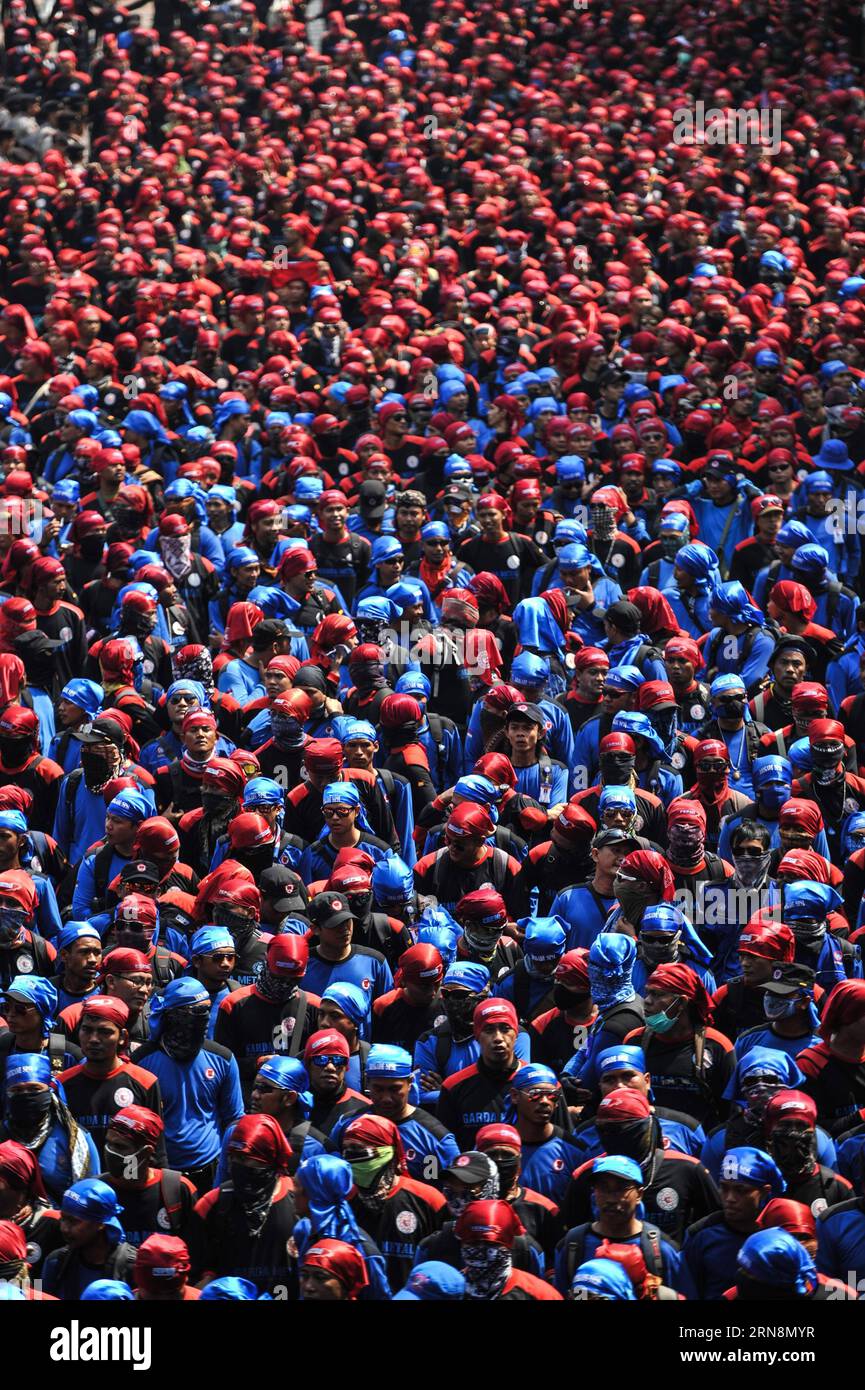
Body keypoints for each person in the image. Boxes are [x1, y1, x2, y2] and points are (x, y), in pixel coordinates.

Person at [134, 978, 244, 1194]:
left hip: (210, 1171)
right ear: (171, 1016)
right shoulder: (142, 1062)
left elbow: (234, 1119)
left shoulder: (222, 1058)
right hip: (162, 1173)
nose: (200, 1021)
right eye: (193, 1014)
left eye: (205, 1013)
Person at [189, 1114, 296, 1295]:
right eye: (233, 1158)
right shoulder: (211, 1205)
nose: (237, 1166)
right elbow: (196, 1270)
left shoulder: (298, 1201)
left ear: (268, 1160)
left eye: (245, 1159)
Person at [340, 1112, 447, 1286]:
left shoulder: (429, 1200)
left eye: (361, 1151)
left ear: (389, 1152)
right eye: (348, 1152)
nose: (354, 1159)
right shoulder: (342, 1202)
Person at [554, 1154, 683, 1295]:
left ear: (639, 1195)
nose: (611, 1198)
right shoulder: (573, 1246)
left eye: (621, 1188)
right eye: (603, 1187)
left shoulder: (660, 1250)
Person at [57, 995, 163, 1159]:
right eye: (87, 1030)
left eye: (104, 1032)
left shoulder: (145, 1083)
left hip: (129, 1177)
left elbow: (156, 1150)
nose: (93, 1039)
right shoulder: (62, 1084)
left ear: (122, 1037)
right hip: (81, 1182)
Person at [679, 1146, 786, 1300]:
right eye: (724, 1188)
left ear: (764, 1192)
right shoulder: (701, 1234)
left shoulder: (779, 1237)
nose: (730, 1198)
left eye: (740, 1190)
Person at [437, 999, 526, 1150]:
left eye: (505, 1029)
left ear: (516, 1033)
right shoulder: (453, 1088)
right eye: (489, 1030)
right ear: (477, 1035)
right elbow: (444, 1149)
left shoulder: (540, 1086)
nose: (498, 1038)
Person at [41, 1178, 138, 1299]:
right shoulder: (56, 1263)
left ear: (100, 1224)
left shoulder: (131, 1267)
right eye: (63, 1219)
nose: (64, 1228)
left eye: (74, 1221)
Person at [454, 1198, 562, 1300]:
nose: (481, 1251)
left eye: (491, 1244)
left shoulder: (539, 1294)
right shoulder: (447, 1290)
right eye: (473, 1243)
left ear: (509, 1244)